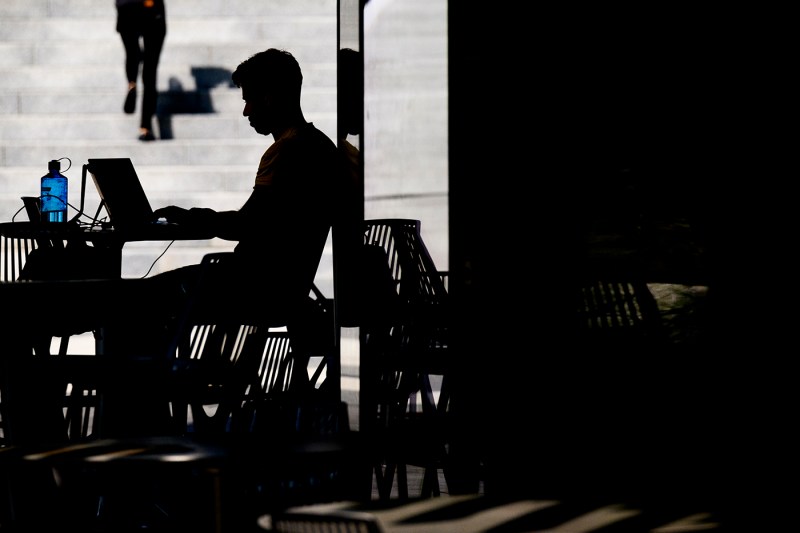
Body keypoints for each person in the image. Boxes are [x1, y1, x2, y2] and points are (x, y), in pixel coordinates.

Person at [115, 0, 167, 141]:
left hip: (127, 9)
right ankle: (145, 127)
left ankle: (132, 82)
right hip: (152, 12)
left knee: (132, 53)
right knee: (150, 72)